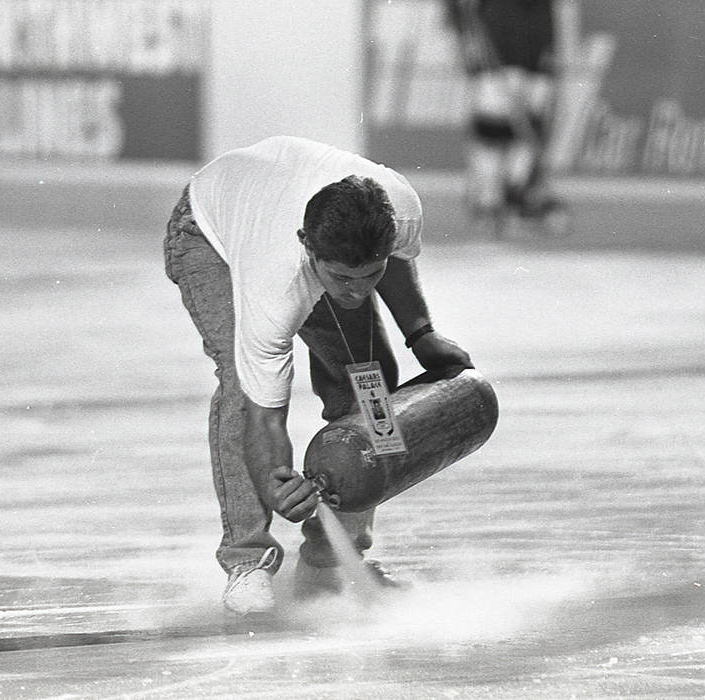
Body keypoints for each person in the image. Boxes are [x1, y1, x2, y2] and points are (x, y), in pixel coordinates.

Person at [163, 136, 474, 614]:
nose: (356, 292)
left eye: (369, 275)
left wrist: (420, 332)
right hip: (208, 233)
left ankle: (331, 558)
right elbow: (265, 417)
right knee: (240, 386)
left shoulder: (401, 209)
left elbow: (392, 261)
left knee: (371, 383)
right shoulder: (277, 285)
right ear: (308, 249)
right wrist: (275, 481)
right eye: (342, 279)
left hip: (284, 203)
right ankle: (248, 560)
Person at [444, 0, 568, 236]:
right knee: (494, 129)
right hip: (497, 49)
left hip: (536, 52)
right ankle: (488, 202)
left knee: (529, 131)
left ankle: (515, 198)